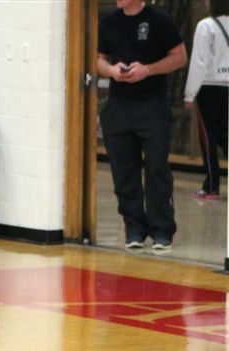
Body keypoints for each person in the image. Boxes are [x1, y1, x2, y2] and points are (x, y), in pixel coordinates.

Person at [98, 0, 187, 252]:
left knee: (157, 168)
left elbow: (179, 57)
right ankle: (134, 226)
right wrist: (112, 71)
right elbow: (98, 60)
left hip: (152, 104)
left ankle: (162, 229)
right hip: (119, 103)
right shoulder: (109, 23)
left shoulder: (160, 21)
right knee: (124, 170)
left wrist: (148, 69)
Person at [184, 0, 229, 201]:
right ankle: (211, 185)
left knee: (208, 136)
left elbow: (199, 62)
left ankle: (212, 186)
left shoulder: (206, 25)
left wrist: (190, 93)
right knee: (225, 135)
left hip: (209, 86)